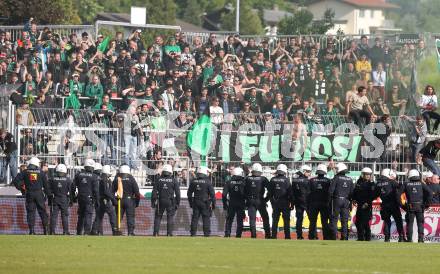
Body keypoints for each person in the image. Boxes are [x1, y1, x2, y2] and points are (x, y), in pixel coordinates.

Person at [12, 157, 49, 235]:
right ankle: (46, 230)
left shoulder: (25, 172)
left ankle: (31, 231)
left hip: (29, 194)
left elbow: (15, 181)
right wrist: (47, 195)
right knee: (42, 211)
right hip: (39, 194)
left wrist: (21, 187)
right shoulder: (41, 172)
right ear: (36, 163)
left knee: (30, 212)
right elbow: (46, 186)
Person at [401, 170, 432, 242]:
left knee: (410, 223)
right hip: (420, 206)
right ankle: (420, 240)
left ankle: (409, 239)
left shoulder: (406, 184)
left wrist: (403, 206)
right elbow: (430, 193)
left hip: (410, 206)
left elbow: (398, 194)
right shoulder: (421, 183)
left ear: (410, 176)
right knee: (420, 223)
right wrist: (427, 204)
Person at [375, 169, 405, 242]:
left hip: (384, 204)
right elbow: (401, 187)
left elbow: (375, 193)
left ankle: (387, 238)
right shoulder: (391, 182)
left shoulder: (377, 184)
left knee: (386, 221)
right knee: (398, 220)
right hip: (393, 204)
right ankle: (401, 237)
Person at [71, 159, 99, 235]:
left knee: (81, 216)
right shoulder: (94, 176)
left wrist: (73, 196)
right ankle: (87, 232)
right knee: (88, 215)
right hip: (89, 198)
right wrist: (97, 201)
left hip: (80, 197)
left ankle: (79, 231)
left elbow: (73, 186)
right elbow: (96, 190)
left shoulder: (78, 175)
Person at [151, 164, 180, 236]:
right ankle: (169, 233)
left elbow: (154, 192)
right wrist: (177, 203)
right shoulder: (174, 180)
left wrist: (153, 202)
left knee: (158, 216)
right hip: (170, 201)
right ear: (170, 172)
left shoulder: (158, 179)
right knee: (170, 217)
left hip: (160, 200)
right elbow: (178, 193)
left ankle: (156, 233)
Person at [244, 163, 271, 239]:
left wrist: (247, 199)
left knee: (252, 219)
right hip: (260, 200)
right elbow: (270, 190)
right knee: (265, 218)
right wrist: (266, 199)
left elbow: (243, 190)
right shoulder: (263, 179)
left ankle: (253, 235)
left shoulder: (247, 179)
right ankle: (268, 235)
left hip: (250, 200)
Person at [187, 166, 215, 237]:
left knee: (195, 218)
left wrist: (191, 203)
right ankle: (206, 234)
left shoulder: (193, 181)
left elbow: (189, 193)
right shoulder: (208, 182)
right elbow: (212, 195)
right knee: (206, 218)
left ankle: (193, 234)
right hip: (205, 203)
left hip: (196, 202)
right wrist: (213, 204)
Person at [328, 163, 354, 240]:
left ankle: (334, 237)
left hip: (336, 200)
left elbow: (330, 191)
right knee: (345, 221)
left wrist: (329, 201)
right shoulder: (350, 179)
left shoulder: (336, 178)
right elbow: (352, 193)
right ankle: (344, 237)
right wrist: (350, 203)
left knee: (334, 219)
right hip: (346, 201)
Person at [113, 164, 141, 236]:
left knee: (118, 216)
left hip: (119, 200)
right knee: (130, 216)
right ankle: (130, 232)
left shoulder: (117, 178)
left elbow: (112, 190)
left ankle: (116, 231)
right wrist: (137, 202)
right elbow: (137, 192)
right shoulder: (131, 178)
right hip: (129, 200)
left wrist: (114, 201)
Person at [268, 164, 292, 239]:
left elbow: (270, 193)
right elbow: (290, 193)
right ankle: (287, 236)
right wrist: (292, 203)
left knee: (275, 221)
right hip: (285, 202)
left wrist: (272, 202)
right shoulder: (287, 180)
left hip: (276, 202)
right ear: (284, 171)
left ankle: (274, 236)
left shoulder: (272, 179)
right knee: (286, 221)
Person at [91, 165, 117, 236]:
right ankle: (115, 230)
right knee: (112, 215)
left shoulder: (100, 178)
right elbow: (106, 191)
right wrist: (113, 199)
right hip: (105, 200)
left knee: (99, 216)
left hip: (100, 199)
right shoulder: (105, 179)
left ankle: (94, 230)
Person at [352, 167, 377, 241]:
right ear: (362, 175)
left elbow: (372, 195)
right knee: (358, 222)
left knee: (365, 223)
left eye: (369, 175)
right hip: (360, 205)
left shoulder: (371, 184)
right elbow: (355, 192)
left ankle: (366, 238)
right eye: (366, 174)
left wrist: (367, 203)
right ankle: (361, 237)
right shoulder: (359, 182)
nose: (368, 176)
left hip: (367, 206)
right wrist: (354, 199)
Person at [308, 164, 331, 240]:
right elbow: (330, 192)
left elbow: (308, 192)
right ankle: (326, 237)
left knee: (313, 221)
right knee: (324, 222)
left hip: (313, 203)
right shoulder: (328, 181)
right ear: (324, 171)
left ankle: (312, 236)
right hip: (324, 203)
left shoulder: (311, 180)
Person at [47, 163, 72, 235]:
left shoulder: (52, 179)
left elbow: (48, 190)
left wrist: (50, 198)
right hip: (64, 199)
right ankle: (65, 231)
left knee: (54, 216)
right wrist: (71, 200)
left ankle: (52, 231)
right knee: (64, 216)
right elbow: (71, 191)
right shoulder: (68, 180)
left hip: (55, 198)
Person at [222, 167, 246, 238]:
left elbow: (224, 195)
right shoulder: (244, 182)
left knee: (229, 220)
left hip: (231, 203)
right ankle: (238, 235)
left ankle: (227, 234)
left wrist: (225, 205)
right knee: (240, 221)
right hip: (241, 203)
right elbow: (247, 194)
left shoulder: (228, 182)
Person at [292, 165, 311, 240]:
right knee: (311, 219)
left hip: (297, 202)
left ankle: (299, 235)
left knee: (299, 219)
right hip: (306, 202)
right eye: (308, 171)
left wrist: (293, 203)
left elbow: (292, 192)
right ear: (303, 171)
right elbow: (310, 192)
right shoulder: (307, 181)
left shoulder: (294, 180)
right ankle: (312, 235)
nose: (309, 173)